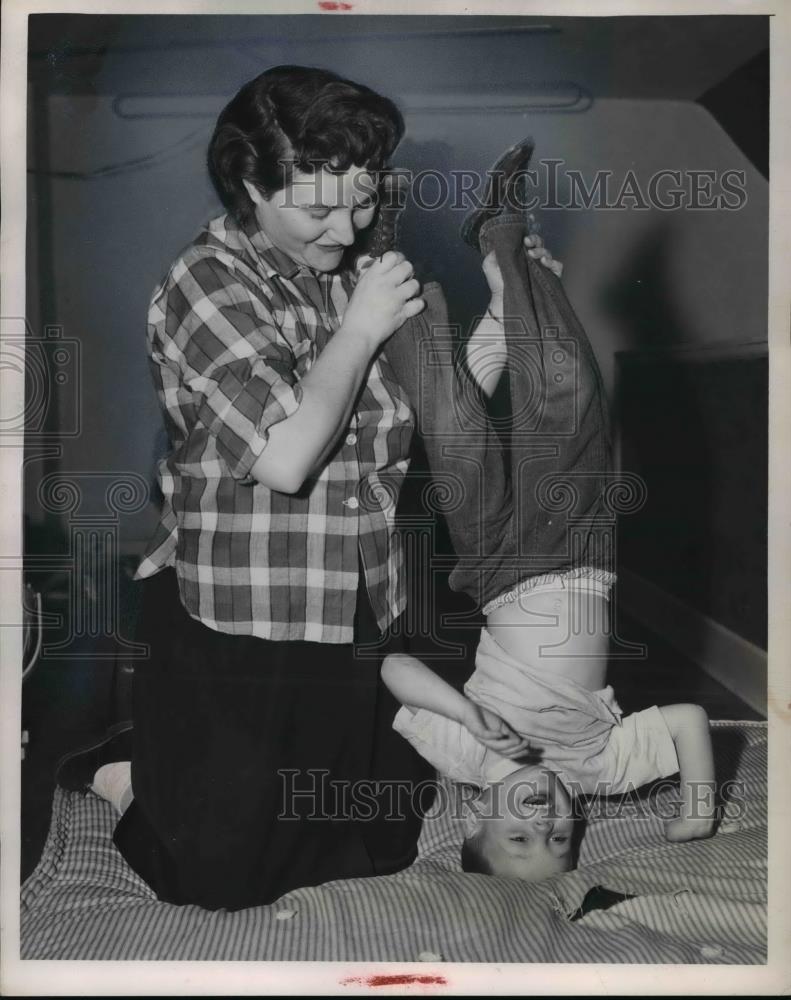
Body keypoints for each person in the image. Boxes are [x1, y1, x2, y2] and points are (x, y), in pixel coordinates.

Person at [54, 68, 561, 909]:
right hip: (241, 610)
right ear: (250, 185)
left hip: (355, 599)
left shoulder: (348, 273)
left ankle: (185, 765)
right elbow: (286, 461)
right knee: (213, 879)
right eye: (315, 209)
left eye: (359, 202)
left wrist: (510, 304)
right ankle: (123, 771)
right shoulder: (207, 282)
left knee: (380, 836)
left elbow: (442, 408)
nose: (344, 228)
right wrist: (360, 328)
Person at [378, 151, 717, 883]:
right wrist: (696, 806)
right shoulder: (601, 771)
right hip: (581, 547)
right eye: (560, 842)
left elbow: (393, 667)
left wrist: (465, 719)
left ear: (473, 817)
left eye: (519, 840)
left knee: (447, 421)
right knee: (567, 389)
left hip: (494, 565)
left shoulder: (471, 758)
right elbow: (688, 721)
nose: (544, 826)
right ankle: (501, 228)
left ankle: (382, 250)